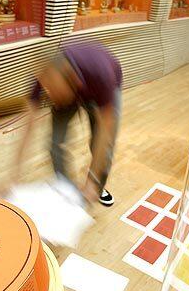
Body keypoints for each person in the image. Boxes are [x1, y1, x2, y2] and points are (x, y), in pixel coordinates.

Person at [15, 41, 122, 206]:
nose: (51, 98)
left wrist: (92, 180)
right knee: (55, 143)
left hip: (103, 87)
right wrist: (13, 175)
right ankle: (67, 191)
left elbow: (105, 134)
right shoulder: (44, 77)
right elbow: (27, 129)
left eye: (55, 91)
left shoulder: (100, 75)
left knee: (101, 146)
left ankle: (96, 188)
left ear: (74, 81)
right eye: (48, 91)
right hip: (74, 87)